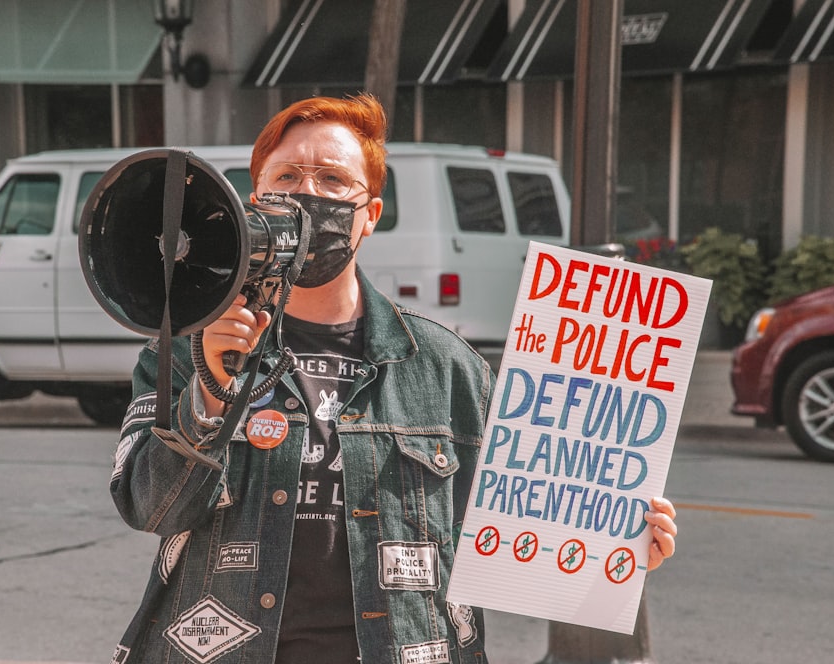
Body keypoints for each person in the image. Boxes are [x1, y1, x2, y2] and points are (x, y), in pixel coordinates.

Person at [109, 93, 678, 664]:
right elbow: (151, 509)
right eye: (286, 175)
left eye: (333, 179)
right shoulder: (184, 351)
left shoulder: (447, 367)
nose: (307, 193)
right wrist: (209, 390)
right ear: (256, 200)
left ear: (371, 215)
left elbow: (526, 536)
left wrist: (615, 550)